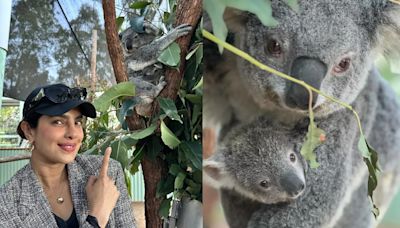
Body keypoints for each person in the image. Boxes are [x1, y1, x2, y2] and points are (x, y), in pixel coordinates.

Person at [0, 84, 136, 227]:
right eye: (58, 122)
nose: (73, 133)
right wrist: (97, 217)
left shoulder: (105, 175)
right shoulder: (7, 203)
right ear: (29, 130)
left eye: (77, 122)